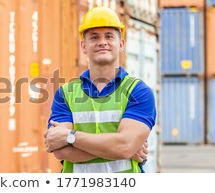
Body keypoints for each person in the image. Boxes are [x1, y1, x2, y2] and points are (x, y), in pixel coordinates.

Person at [43, 6, 156, 173]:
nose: (102, 42)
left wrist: (70, 136)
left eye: (109, 36)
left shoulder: (138, 91)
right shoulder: (65, 94)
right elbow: (61, 151)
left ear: (121, 44)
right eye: (94, 37)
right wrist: (118, 147)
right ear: (83, 46)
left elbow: (124, 147)